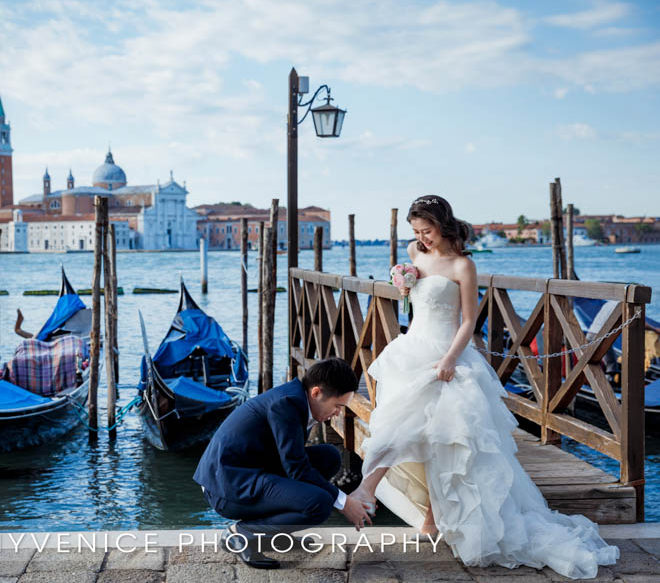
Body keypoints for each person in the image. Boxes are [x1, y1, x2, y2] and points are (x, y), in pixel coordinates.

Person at [350, 195, 619, 579]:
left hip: (449, 355)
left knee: (450, 439)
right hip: (412, 350)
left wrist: (448, 361)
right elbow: (408, 299)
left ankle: (424, 515)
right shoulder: (413, 252)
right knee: (405, 423)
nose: (421, 239)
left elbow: (468, 322)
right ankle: (376, 493)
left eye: (426, 231)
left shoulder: (464, 265)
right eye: (416, 232)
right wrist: (404, 285)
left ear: (443, 226)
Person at [194, 357, 372, 569]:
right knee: (321, 504)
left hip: (252, 470)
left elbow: (293, 461)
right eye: (337, 406)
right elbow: (297, 469)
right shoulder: (286, 404)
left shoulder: (297, 398)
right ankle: (243, 533)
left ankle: (273, 535)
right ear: (316, 393)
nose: (338, 413)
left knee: (329, 457)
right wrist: (344, 502)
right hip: (228, 487)